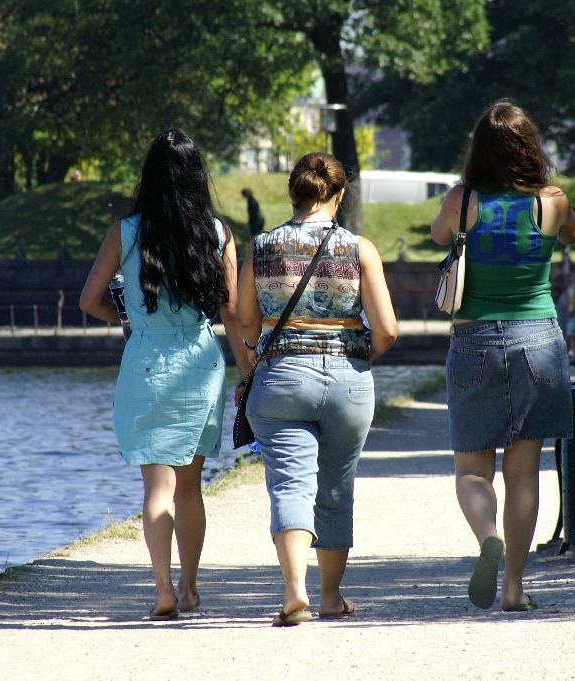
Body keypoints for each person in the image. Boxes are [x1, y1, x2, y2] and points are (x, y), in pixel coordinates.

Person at [79, 129, 249, 621]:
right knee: (191, 487)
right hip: (200, 363)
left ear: (149, 176)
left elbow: (89, 300)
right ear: (198, 177)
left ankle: (162, 590)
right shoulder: (217, 234)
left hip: (147, 363)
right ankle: (191, 586)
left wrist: (130, 317)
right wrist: (246, 370)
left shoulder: (126, 232)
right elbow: (231, 309)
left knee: (157, 487)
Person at [430, 100, 575, 612]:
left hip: (473, 341)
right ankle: (514, 588)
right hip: (538, 340)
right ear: (529, 147)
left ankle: (486, 536)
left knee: (473, 472)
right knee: (524, 473)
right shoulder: (551, 201)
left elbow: (437, 236)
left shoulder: (462, 198)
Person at [237, 152, 398, 626]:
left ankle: (294, 593)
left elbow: (247, 319)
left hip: (283, 375)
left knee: (290, 483)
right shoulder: (359, 248)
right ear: (339, 196)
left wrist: (254, 349)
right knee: (335, 488)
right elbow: (386, 329)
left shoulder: (262, 246)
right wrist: (353, 357)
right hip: (348, 379)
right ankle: (330, 597)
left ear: (294, 193)